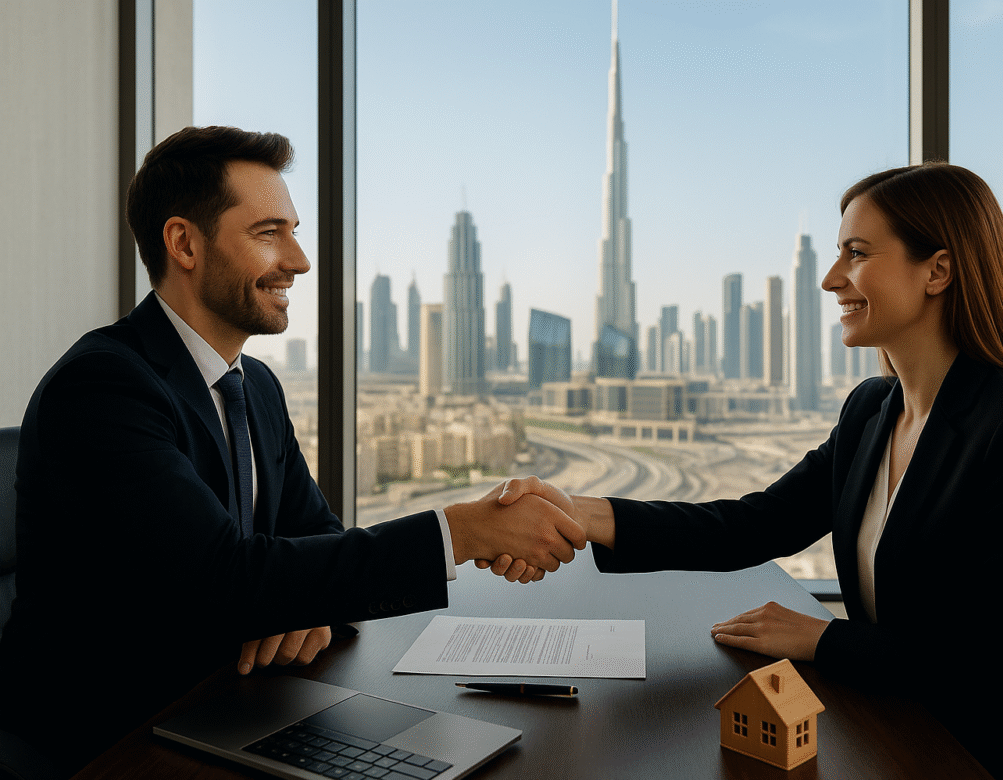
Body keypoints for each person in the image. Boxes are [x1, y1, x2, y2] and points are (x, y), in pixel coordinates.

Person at [0, 125, 585, 774]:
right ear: (184, 243)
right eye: (268, 233)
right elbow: (225, 582)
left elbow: (314, 537)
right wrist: (461, 532)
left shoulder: (258, 387)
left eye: (294, 231)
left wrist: (298, 600)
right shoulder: (104, 387)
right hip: (109, 738)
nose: (300, 261)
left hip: (231, 705)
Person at [488, 162, 1003, 779]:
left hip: (990, 754)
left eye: (856, 254)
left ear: (937, 271)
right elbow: (755, 524)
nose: (832, 279)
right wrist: (583, 513)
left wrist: (821, 638)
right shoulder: (871, 412)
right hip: (893, 719)